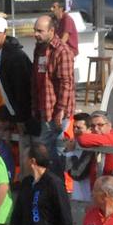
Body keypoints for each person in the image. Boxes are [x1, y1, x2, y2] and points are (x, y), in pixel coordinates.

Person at [0, 17, 33, 144]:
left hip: (26, 112)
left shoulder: (16, 56)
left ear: (5, 33)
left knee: (28, 146)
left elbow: (22, 89)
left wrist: (21, 118)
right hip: (12, 110)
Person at [30, 13, 74, 145]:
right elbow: (37, 78)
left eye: (40, 31)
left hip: (58, 112)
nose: (36, 34)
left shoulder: (62, 51)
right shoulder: (39, 48)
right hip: (45, 109)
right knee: (46, 149)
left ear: (51, 31)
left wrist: (60, 111)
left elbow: (66, 83)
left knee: (60, 150)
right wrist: (35, 106)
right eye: (35, 30)